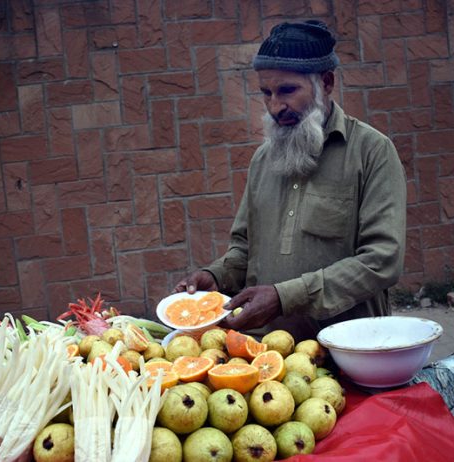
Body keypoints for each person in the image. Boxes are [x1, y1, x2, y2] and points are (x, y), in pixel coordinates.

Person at [173, 20, 407, 341]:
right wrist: (216, 275)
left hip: (350, 348)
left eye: (287, 90)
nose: (275, 106)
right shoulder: (263, 159)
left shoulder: (372, 151)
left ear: (326, 83)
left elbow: (382, 260)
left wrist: (286, 297)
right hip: (267, 353)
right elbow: (243, 249)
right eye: (266, 93)